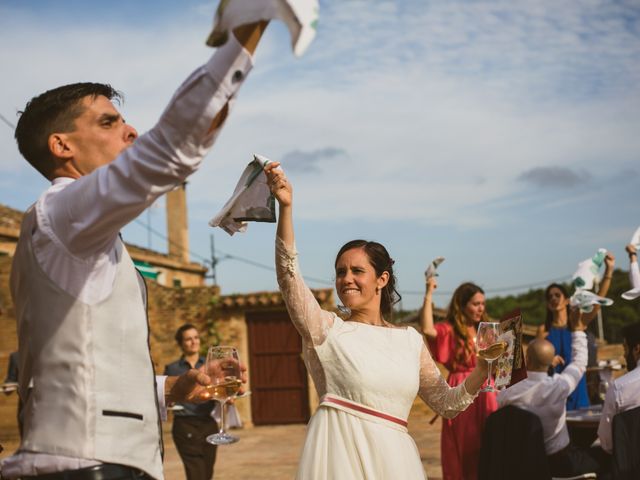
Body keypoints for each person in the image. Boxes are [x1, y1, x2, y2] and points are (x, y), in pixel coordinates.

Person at [0, 13, 266, 480]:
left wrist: (176, 386)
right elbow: (167, 150)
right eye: (108, 122)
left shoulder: (85, 235)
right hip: (85, 468)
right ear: (61, 145)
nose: (130, 132)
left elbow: (89, 368)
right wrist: (250, 28)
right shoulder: (60, 210)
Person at [264, 162, 492, 480]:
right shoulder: (325, 328)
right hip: (340, 461)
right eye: (341, 271)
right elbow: (289, 276)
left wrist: (482, 370)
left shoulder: (410, 340)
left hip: (397, 464)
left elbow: (446, 403)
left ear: (381, 279)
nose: (346, 279)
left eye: (357, 271)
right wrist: (286, 207)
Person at [498, 308, 610, 478]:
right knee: (607, 457)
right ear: (552, 362)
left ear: (527, 360)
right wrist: (578, 329)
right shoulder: (558, 386)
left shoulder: (508, 391)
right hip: (560, 464)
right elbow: (579, 363)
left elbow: (505, 374)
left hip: (520, 465)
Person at [420, 280, 496, 480]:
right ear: (462, 306)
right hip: (463, 387)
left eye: (482, 303)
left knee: (489, 443)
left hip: (488, 391)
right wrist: (428, 293)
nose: (481, 308)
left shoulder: (487, 329)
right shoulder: (450, 329)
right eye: (475, 304)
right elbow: (428, 330)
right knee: (466, 445)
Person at [536, 252, 615, 409]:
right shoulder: (543, 330)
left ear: (566, 300)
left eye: (557, 295)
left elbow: (597, 302)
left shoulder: (577, 322)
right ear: (547, 304)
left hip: (578, 391)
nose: (553, 298)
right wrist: (547, 363)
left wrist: (609, 271)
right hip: (554, 395)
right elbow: (534, 365)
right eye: (549, 296)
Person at [164, 324, 218, 480]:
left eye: (196, 337)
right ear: (181, 343)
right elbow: (165, 396)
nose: (194, 342)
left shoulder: (210, 365)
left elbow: (217, 390)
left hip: (209, 424)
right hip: (185, 426)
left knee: (207, 473)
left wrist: (226, 400)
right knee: (196, 474)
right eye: (188, 339)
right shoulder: (173, 369)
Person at [597, 316, 640, 452]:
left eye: (625, 348)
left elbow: (607, 444)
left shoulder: (619, 388)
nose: (624, 355)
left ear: (637, 349)